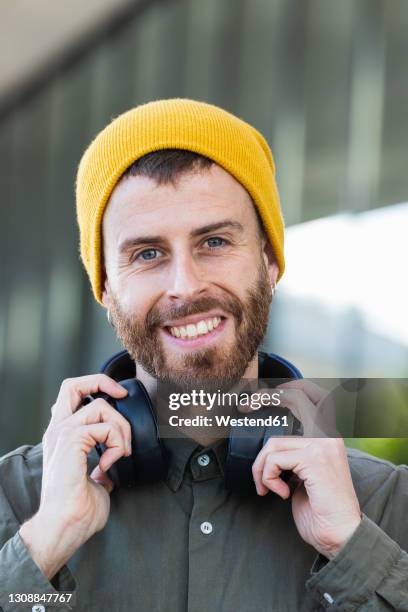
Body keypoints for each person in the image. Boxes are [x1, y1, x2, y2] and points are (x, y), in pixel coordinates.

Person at [0, 99, 407, 612]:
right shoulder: (18, 501)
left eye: (214, 241)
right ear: (105, 287)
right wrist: (45, 546)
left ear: (270, 260)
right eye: (147, 254)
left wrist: (350, 549)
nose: (185, 286)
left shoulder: (386, 503)